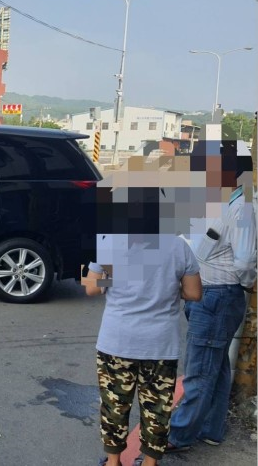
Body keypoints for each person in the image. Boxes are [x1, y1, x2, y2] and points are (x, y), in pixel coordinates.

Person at [83, 161, 203, 466]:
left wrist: (114, 279)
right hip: (160, 346)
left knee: (114, 406)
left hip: (116, 342)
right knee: (157, 409)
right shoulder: (178, 246)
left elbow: (93, 289)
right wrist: (167, 286)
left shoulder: (110, 242)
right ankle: (149, 464)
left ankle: (113, 463)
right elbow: (194, 293)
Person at [166, 140, 256, 452]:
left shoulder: (242, 207)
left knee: (199, 372)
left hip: (219, 296)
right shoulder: (220, 201)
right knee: (214, 367)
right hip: (207, 295)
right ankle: (211, 428)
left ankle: (178, 436)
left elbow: (245, 261)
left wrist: (241, 286)